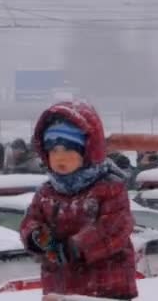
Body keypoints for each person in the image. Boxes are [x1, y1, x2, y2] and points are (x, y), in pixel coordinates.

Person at [20, 101, 138, 300]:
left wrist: (76, 247)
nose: (60, 158)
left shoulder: (109, 188)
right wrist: (36, 236)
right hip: (59, 288)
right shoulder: (46, 193)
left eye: (68, 150)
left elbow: (114, 228)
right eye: (53, 151)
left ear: (87, 151)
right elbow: (30, 220)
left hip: (106, 289)